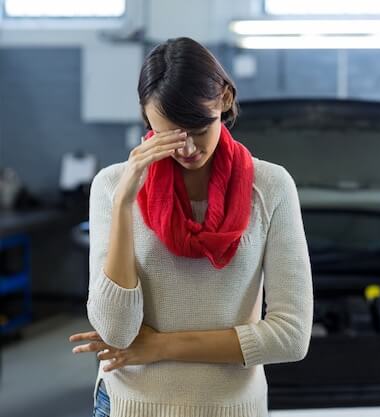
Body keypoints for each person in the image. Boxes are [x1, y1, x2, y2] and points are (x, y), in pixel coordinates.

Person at [68, 37, 313, 417]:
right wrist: (123, 204)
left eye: (198, 127)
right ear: (147, 119)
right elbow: (116, 332)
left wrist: (162, 346)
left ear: (225, 100)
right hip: (129, 405)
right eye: (170, 133)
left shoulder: (270, 187)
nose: (186, 149)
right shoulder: (113, 186)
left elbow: (291, 337)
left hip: (231, 409)